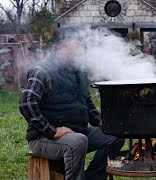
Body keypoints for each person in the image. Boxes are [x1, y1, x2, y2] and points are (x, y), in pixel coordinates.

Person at [19, 25, 125, 180]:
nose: (81, 48)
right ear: (60, 46)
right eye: (76, 44)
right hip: (44, 139)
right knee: (77, 141)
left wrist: (101, 121)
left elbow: (86, 101)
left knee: (115, 135)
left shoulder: (79, 72)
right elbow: (26, 103)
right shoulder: (42, 71)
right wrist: (51, 131)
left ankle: (93, 178)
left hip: (78, 132)